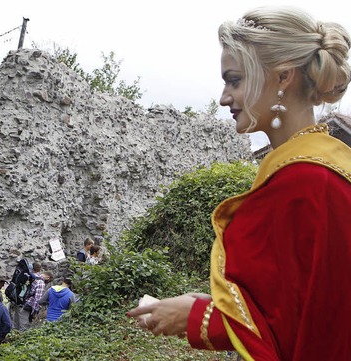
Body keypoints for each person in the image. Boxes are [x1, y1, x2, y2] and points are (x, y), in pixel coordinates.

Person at [127, 7, 351, 361]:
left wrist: (197, 317)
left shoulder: (306, 183)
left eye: (234, 80)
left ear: (282, 77)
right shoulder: (318, 170)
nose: (223, 97)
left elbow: (313, 329)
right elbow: (286, 305)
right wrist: (205, 305)